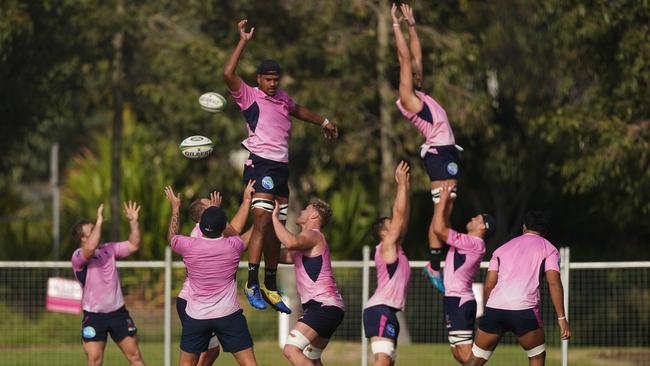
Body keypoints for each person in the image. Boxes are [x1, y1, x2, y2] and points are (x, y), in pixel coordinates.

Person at [223, 18, 340, 313]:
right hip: (260, 164)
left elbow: (298, 110)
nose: (272, 83)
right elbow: (227, 73)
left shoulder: (283, 98)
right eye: (268, 78)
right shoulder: (248, 95)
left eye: (276, 78)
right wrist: (243, 42)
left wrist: (323, 121)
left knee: (277, 227)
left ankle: (271, 286)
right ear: (259, 79)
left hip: (281, 168)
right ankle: (251, 282)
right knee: (261, 220)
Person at [390, 3, 462, 293]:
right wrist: (396, 25)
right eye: (412, 73)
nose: (418, 72)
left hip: (448, 153)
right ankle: (434, 265)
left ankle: (438, 261)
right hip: (438, 155)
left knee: (446, 211)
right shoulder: (408, 99)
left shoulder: (421, 91)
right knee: (441, 207)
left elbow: (415, 56)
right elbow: (406, 57)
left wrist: (412, 25)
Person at [165, 185, 258, 366]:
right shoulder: (231, 246)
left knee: (209, 353)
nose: (214, 203)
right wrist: (261, 220)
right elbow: (238, 235)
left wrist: (175, 208)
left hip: (197, 311)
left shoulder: (189, 244)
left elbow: (172, 237)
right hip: (219, 310)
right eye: (210, 205)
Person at [464, 211, 571, 366]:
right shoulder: (550, 250)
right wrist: (562, 319)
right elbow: (553, 282)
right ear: (545, 232)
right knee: (536, 357)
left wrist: (484, 310)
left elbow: (489, 284)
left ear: (524, 227)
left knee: (475, 359)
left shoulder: (501, 249)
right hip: (524, 310)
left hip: (495, 308)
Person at [70, 201, 145, 366]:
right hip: (94, 316)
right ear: (83, 238)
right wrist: (98, 221)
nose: (99, 229)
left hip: (119, 313)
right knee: (94, 361)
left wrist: (133, 222)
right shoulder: (78, 256)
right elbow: (89, 248)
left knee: (136, 358)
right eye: (93, 230)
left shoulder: (109, 249)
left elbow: (134, 245)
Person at [271, 198, 344, 366]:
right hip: (328, 307)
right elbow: (273, 254)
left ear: (314, 215)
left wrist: (274, 218)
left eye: (305, 208)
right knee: (312, 359)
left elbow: (289, 242)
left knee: (291, 350)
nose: (301, 211)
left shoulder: (313, 235)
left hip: (323, 306)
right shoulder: (305, 246)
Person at [432, 182, 493, 363]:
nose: (473, 218)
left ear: (483, 228)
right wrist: (447, 204)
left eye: (478, 218)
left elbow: (438, 229)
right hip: (453, 300)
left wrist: (442, 200)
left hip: (460, 301)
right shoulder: (468, 241)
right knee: (458, 354)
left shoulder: (474, 243)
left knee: (467, 355)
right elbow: (445, 227)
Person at [364, 161, 412, 366]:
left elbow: (404, 218)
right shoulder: (385, 247)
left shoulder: (397, 248)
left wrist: (406, 188)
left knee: (388, 363)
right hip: (380, 309)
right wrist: (400, 185)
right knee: (382, 361)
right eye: (391, 224)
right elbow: (399, 215)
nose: (396, 224)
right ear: (384, 232)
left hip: (389, 311)